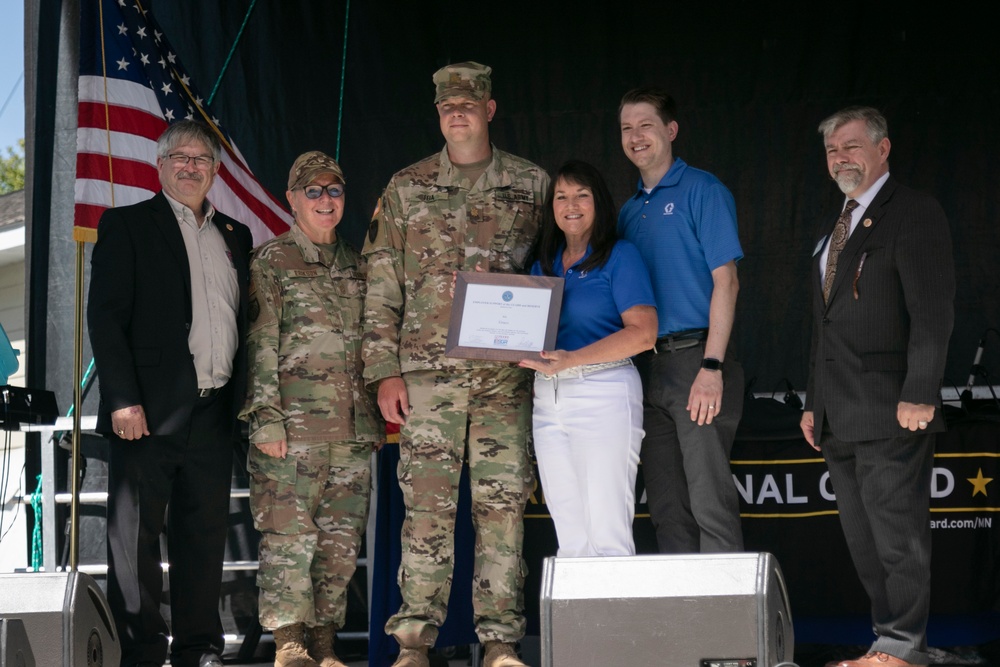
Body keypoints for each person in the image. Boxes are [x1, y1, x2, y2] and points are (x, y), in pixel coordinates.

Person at [362, 62, 548, 667]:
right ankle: (414, 644)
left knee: (502, 510)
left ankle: (500, 643)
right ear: (438, 114)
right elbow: (382, 284)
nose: (459, 114)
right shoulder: (405, 187)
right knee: (426, 513)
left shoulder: (534, 184)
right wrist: (383, 370)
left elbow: (559, 273)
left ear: (490, 109)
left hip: (505, 380)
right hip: (428, 378)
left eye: (469, 104)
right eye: (448, 107)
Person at [87, 120, 253, 667]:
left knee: (202, 540)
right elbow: (106, 319)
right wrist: (120, 399)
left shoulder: (236, 235)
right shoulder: (128, 225)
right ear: (160, 166)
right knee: (133, 543)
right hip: (145, 413)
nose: (190, 166)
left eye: (201, 158)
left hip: (214, 410)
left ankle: (198, 650)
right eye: (178, 157)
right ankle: (139, 654)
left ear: (214, 170)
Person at [801, 107, 955, 667]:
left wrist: (920, 391)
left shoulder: (913, 213)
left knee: (897, 538)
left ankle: (901, 646)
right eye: (831, 151)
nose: (840, 158)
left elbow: (933, 313)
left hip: (892, 407)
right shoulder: (834, 224)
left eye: (851, 146)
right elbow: (825, 323)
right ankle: (885, 640)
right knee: (865, 542)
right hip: (838, 414)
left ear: (883, 148)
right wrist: (813, 404)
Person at [240, 151, 383, 667]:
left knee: (338, 547)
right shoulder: (272, 262)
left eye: (334, 190)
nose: (326, 200)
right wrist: (265, 417)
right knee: (288, 540)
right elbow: (259, 345)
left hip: (350, 431)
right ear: (293, 199)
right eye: (314, 191)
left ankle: (324, 645)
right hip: (291, 432)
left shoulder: (360, 265)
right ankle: (290, 643)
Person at [617, 86, 745, 554]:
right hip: (647, 369)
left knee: (709, 501)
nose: (636, 136)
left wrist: (712, 368)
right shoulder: (629, 211)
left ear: (670, 130)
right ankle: (689, 623)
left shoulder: (703, 191)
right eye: (627, 128)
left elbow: (726, 282)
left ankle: (727, 624)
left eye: (645, 125)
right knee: (668, 509)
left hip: (698, 360)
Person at [518, 159, 656, 557]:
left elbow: (644, 334)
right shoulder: (543, 264)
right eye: (561, 196)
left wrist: (573, 359)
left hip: (604, 392)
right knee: (571, 536)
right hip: (548, 399)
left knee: (607, 531)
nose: (571, 204)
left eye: (582, 195)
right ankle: (579, 622)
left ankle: (619, 622)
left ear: (599, 203)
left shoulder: (620, 256)